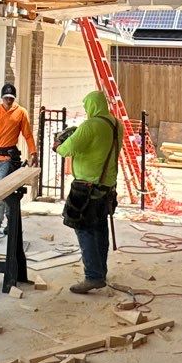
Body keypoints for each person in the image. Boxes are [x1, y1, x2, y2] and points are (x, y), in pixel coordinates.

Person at [56, 89, 120, 294]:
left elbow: (66, 149)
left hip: (87, 188)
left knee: (83, 228)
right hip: (107, 186)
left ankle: (93, 276)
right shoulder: (116, 124)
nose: (86, 110)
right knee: (100, 228)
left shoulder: (91, 126)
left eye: (86, 107)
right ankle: (100, 271)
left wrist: (58, 144)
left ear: (92, 106)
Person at [0, 81, 34, 244]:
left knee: (0, 193)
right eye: (6, 98)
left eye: (11, 98)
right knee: (1, 191)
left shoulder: (21, 113)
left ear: (14, 98)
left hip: (8, 160)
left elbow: (28, 134)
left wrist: (33, 152)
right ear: (2, 97)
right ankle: (12, 221)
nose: (8, 101)